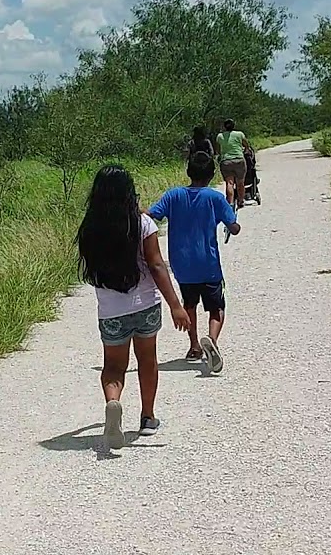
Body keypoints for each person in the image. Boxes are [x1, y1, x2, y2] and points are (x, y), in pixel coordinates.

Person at [75, 164, 190, 451]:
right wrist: (176, 305)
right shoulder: (142, 224)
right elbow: (156, 265)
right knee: (147, 361)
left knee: (114, 366)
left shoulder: (90, 228)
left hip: (111, 310)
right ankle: (148, 417)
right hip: (145, 306)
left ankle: (113, 402)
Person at [146, 152, 242, 375]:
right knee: (217, 308)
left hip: (182, 266)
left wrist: (131, 209)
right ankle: (212, 340)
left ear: (189, 171)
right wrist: (233, 225)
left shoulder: (173, 196)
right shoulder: (215, 198)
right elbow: (234, 227)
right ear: (211, 175)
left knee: (189, 305)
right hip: (208, 264)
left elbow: (151, 215)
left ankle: (194, 346)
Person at [216, 118, 251, 210]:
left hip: (226, 161)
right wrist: (246, 150)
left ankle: (230, 203)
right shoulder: (239, 134)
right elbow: (246, 145)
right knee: (240, 182)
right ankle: (240, 201)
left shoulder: (220, 136)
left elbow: (218, 150)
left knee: (229, 183)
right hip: (239, 160)